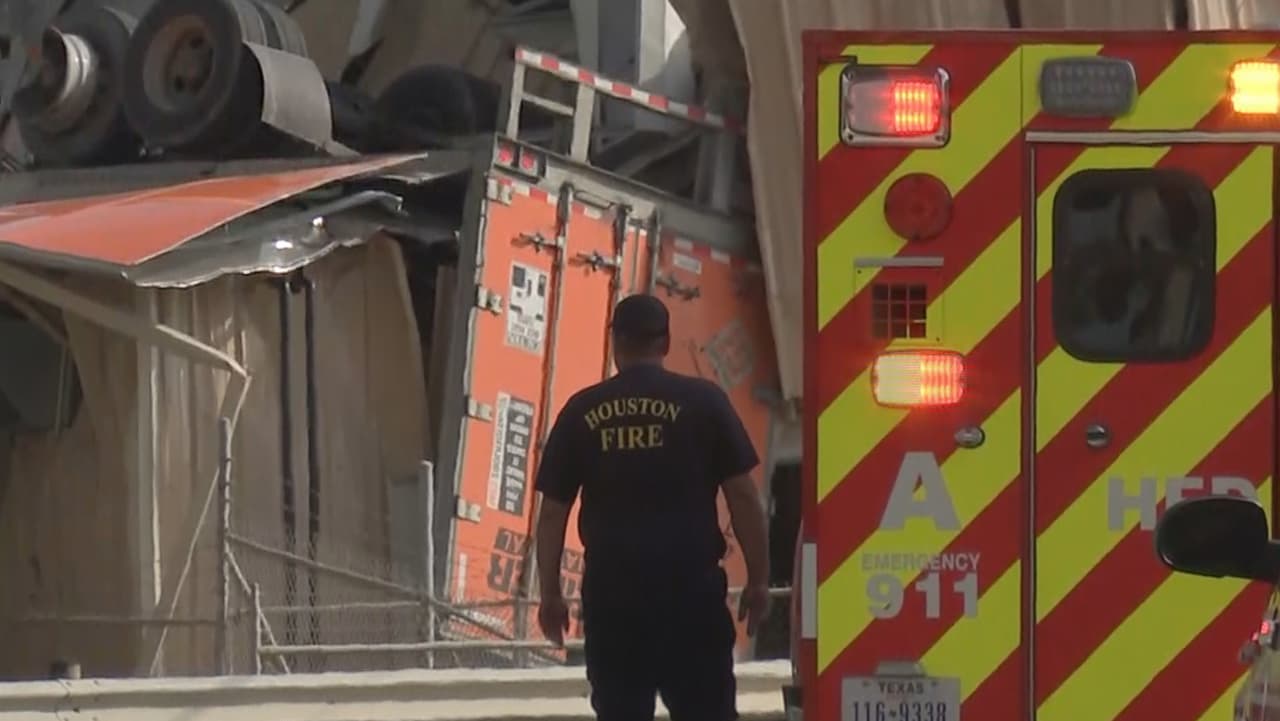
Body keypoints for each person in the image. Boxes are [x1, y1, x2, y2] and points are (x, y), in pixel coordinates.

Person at [532, 292, 770, 721]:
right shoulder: (705, 403)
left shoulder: (582, 412)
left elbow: (552, 513)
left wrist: (550, 594)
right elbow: (743, 497)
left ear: (615, 343)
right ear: (665, 343)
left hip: (614, 605)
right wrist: (758, 579)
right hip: (691, 601)